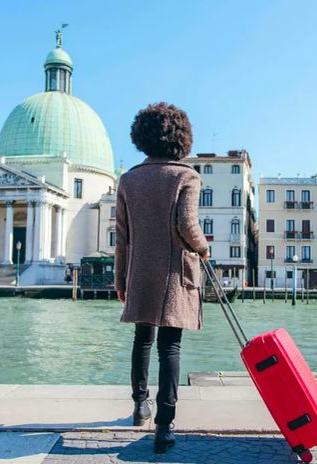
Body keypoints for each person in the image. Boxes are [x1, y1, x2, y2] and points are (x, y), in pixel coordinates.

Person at [114, 102, 210, 454]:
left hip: (139, 270)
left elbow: (121, 238)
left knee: (142, 339)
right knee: (170, 346)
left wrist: (120, 281)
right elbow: (187, 225)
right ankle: (164, 427)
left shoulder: (128, 180)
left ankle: (140, 405)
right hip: (174, 273)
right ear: (182, 139)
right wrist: (202, 248)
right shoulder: (186, 176)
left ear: (143, 138)